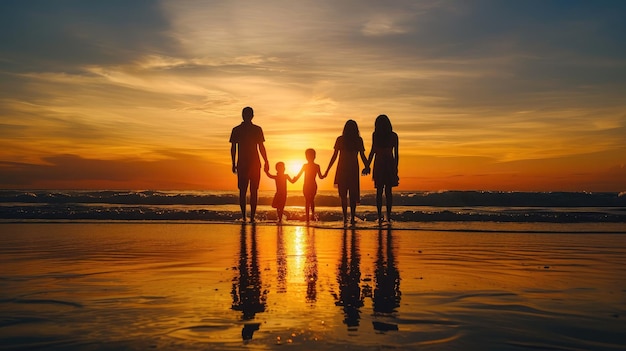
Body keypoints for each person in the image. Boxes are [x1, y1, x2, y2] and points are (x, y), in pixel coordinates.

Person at [324, 120, 368, 225]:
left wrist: (327, 170)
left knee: (343, 195)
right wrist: (367, 166)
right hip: (353, 169)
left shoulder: (340, 139)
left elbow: (334, 156)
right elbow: (362, 156)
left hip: (342, 169)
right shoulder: (358, 140)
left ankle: (345, 217)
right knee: (353, 194)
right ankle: (352, 217)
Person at [230, 106, 269, 223]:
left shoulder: (254, 129)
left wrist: (266, 161)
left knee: (248, 191)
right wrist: (233, 162)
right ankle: (248, 217)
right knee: (249, 191)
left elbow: (261, 147)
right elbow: (233, 148)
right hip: (245, 163)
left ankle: (248, 217)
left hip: (250, 163)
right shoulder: (239, 129)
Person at [363, 114, 399, 223]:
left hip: (379, 163)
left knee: (379, 191)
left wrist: (367, 165)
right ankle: (388, 216)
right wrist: (395, 168)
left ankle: (380, 216)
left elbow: (372, 151)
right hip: (389, 162)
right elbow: (396, 154)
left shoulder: (376, 135)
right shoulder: (393, 135)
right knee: (388, 191)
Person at [292, 148, 325, 223]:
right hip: (311, 185)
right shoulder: (316, 166)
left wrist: (293, 180)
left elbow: (298, 175)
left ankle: (308, 217)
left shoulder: (307, 166)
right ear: (314, 156)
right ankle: (311, 216)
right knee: (311, 200)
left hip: (308, 185)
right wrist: (325, 174)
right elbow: (321, 177)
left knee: (308, 201)